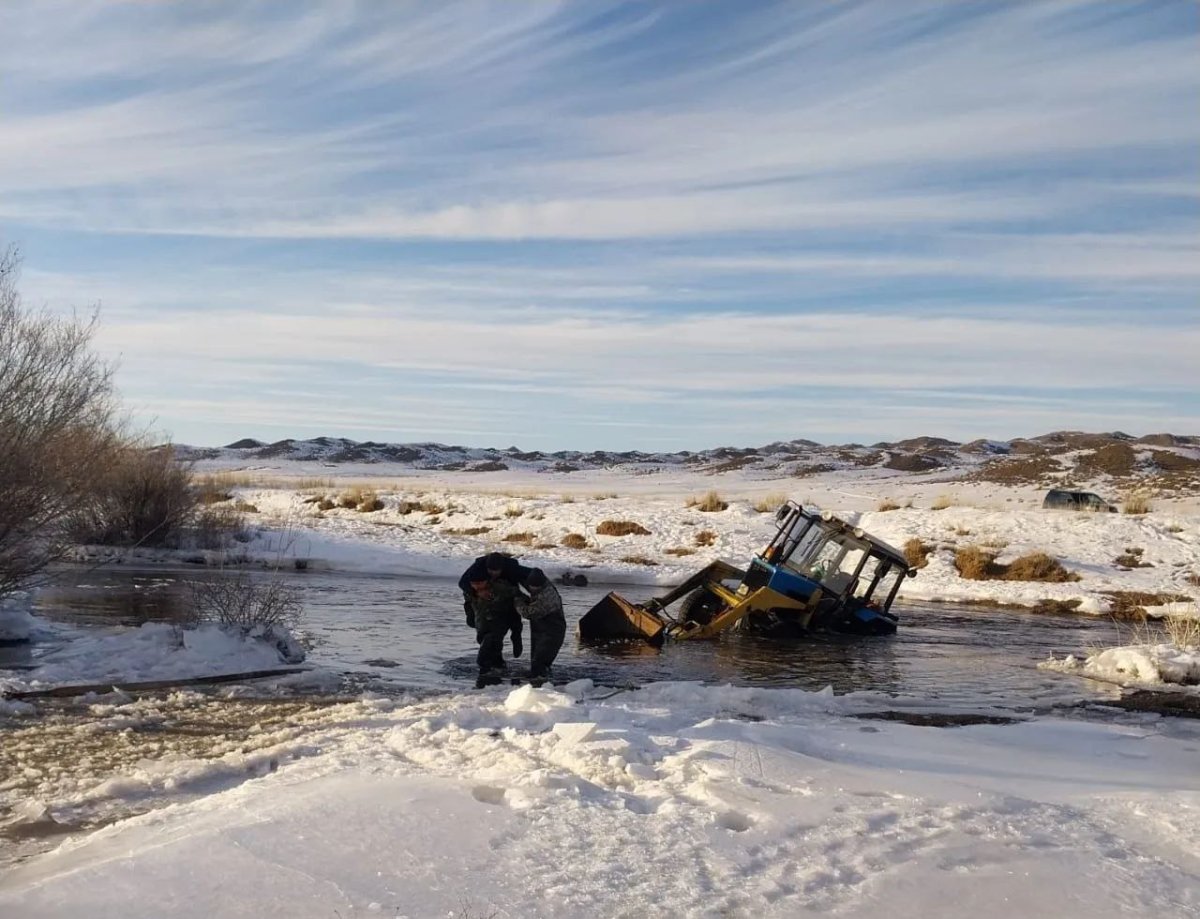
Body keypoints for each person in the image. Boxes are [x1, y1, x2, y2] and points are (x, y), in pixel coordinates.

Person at [459, 552, 530, 685]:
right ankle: (497, 665)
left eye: (480, 584)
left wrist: (534, 599)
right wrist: (470, 615)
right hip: (484, 617)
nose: (477, 586)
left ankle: (486, 665)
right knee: (485, 638)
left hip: (504, 615)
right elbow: (467, 599)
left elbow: (518, 592)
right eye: (475, 584)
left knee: (493, 638)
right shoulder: (472, 582)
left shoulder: (504, 581)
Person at [514, 568, 566, 685]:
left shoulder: (547, 596)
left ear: (541, 585)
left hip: (553, 631)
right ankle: (541, 679)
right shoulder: (541, 585)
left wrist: (518, 600)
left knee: (540, 662)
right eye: (531, 586)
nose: (533, 589)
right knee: (536, 661)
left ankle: (542, 686)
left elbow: (528, 613)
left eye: (536, 587)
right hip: (540, 629)